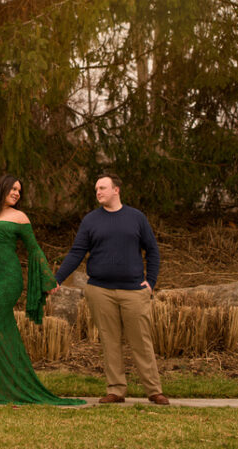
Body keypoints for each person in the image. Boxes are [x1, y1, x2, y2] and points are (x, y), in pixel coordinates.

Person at [0, 174, 85, 406]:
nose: (17, 193)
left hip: (7, 281)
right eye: (13, 189)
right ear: (2, 188)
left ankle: (11, 388)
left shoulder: (20, 217)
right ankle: (1, 390)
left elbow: (34, 250)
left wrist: (49, 280)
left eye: (19, 190)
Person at [54, 174, 169, 405]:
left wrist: (151, 281)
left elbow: (153, 251)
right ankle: (116, 390)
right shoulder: (90, 220)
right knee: (109, 341)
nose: (98, 192)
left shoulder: (136, 217)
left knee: (141, 341)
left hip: (134, 291)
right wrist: (56, 278)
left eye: (102, 188)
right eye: (96, 188)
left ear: (116, 190)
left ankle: (154, 390)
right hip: (100, 291)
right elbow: (77, 252)